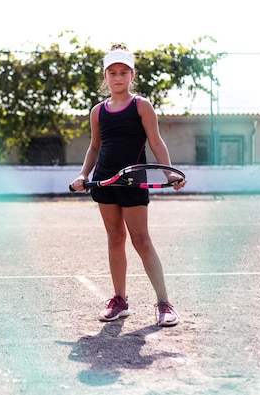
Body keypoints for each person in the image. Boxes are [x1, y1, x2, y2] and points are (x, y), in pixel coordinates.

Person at [70, 44, 186, 327]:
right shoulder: (98, 111)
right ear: (105, 76)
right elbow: (94, 147)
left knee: (141, 240)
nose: (118, 77)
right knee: (115, 237)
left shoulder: (141, 106)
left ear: (132, 75)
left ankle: (163, 303)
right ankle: (120, 300)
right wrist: (84, 175)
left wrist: (169, 173)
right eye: (113, 73)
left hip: (133, 181)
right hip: (105, 180)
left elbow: (155, 141)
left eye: (123, 72)